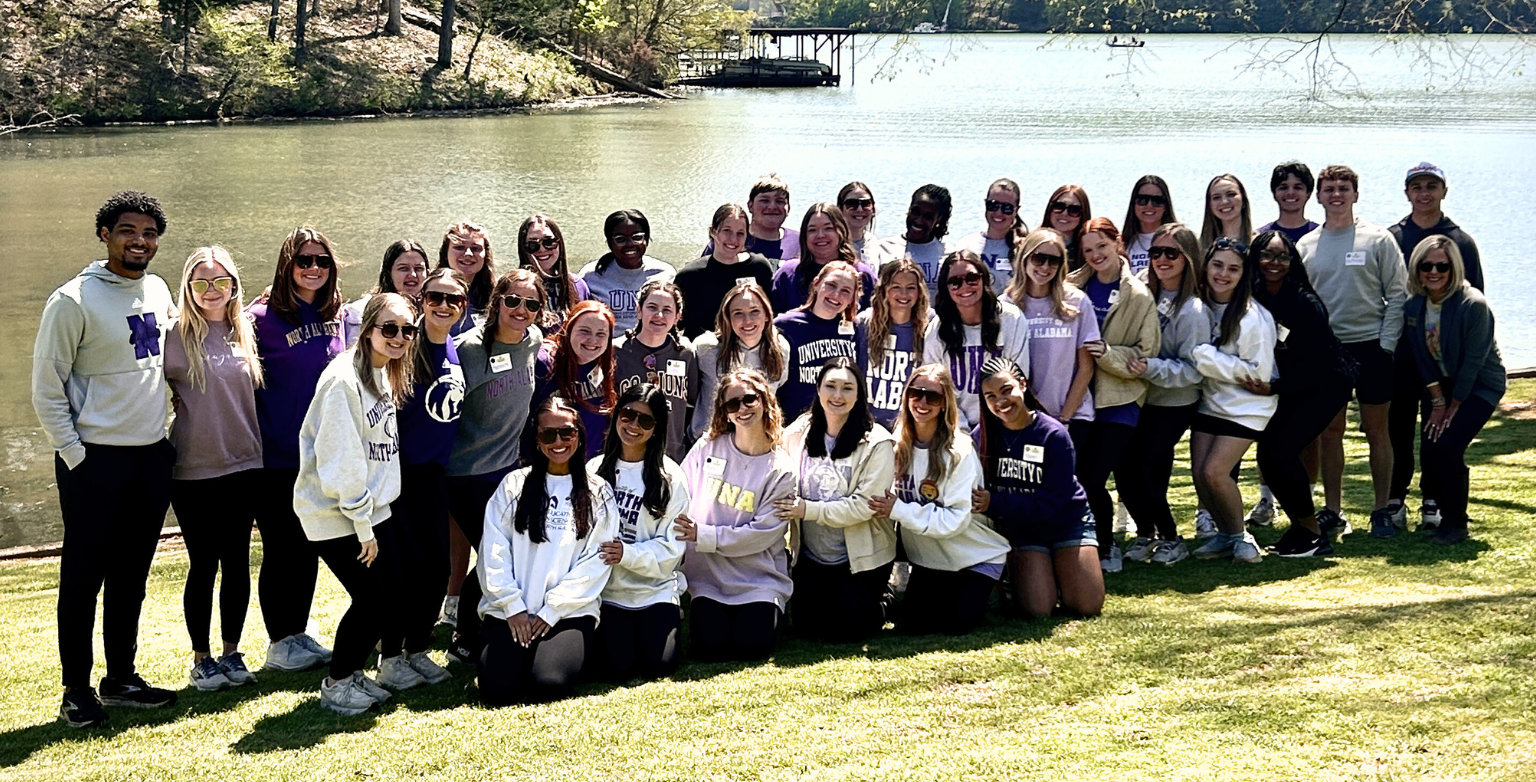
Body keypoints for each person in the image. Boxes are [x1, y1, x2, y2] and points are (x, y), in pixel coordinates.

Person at [33, 191, 179, 727]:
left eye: (149, 233)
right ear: (104, 235)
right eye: (127, 231)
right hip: (93, 460)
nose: (139, 241)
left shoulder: (158, 289)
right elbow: (46, 388)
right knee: (83, 577)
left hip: (150, 456)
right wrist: (75, 454)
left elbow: (172, 352)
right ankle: (75, 689)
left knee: (131, 576)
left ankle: (121, 677)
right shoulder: (72, 300)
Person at [294, 293, 415, 715]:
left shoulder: (381, 371)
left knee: (393, 593)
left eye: (407, 330)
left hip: (370, 509)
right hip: (335, 513)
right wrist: (363, 525)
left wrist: (372, 515)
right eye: (389, 328)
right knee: (372, 599)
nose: (399, 337)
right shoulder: (343, 381)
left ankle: (355, 672)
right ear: (367, 330)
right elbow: (340, 460)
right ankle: (338, 682)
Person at [165, 247, 265, 692]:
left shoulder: (245, 330)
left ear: (234, 286)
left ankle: (231, 651)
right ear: (188, 287)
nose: (211, 291)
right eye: (201, 282)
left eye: (221, 282)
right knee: (203, 563)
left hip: (245, 463)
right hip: (193, 468)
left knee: (237, 561)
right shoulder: (174, 335)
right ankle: (201, 659)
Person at [477, 397, 618, 705]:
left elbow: (596, 562)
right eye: (548, 434)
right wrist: (512, 606)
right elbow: (493, 552)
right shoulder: (514, 485)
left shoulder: (598, 491)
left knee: (549, 684)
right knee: (496, 690)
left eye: (566, 432)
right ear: (537, 439)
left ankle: (569, 652)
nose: (558, 442)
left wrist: (553, 609)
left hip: (567, 612)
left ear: (579, 435)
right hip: (511, 612)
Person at [249, 226, 345, 673]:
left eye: (322, 261)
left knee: (310, 545)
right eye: (303, 260)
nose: (313, 268)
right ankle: (279, 641)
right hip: (278, 455)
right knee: (282, 547)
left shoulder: (334, 313)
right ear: (287, 265)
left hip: (322, 456)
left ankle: (298, 634)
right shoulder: (259, 318)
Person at [1297, 165, 1409, 539]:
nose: (1336, 194)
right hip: (1329, 352)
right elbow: (1302, 303)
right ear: (1319, 196)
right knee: (1331, 432)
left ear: (1355, 194)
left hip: (1372, 347)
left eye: (1344, 188)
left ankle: (1381, 510)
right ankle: (1333, 510)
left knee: (1377, 430)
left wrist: (1387, 344)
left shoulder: (1378, 239)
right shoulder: (1306, 245)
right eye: (1329, 188)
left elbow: (1398, 293)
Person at [444, 269, 545, 666]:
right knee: (492, 553)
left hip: (506, 471)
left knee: (507, 550)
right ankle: (463, 637)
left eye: (531, 304)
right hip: (466, 472)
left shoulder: (532, 340)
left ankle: (485, 623)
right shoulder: (468, 350)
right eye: (513, 300)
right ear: (497, 301)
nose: (521, 310)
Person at [373, 268, 467, 690]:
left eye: (454, 299)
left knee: (437, 568)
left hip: (434, 473)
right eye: (435, 297)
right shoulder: (405, 348)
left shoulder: (453, 346)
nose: (444, 306)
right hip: (399, 474)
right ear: (421, 300)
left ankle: (416, 648)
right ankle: (390, 656)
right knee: (404, 570)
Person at [870, 364, 1009, 635]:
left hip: (973, 556)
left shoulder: (959, 451)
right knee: (914, 626)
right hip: (931, 561)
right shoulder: (895, 446)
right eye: (916, 393)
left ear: (945, 403)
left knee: (956, 624)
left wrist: (898, 509)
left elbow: (955, 521)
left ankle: (992, 590)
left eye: (932, 396)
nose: (922, 402)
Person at [1241, 231, 1355, 557]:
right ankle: (1301, 527)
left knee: (1279, 449)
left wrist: (1275, 388)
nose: (1274, 263)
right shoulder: (1256, 296)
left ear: (1293, 262)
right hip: (1292, 385)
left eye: (1282, 256)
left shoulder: (1305, 302)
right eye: (1267, 255)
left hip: (1326, 385)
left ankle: (1314, 536)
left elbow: (1319, 365)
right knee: (1269, 454)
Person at [1387, 162, 1485, 531]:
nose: (1424, 193)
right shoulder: (1392, 237)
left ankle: (1432, 498)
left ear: (1444, 191)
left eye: (1431, 186)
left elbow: (1475, 300)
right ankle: (1395, 499)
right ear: (1407, 192)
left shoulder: (1460, 241)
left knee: (1436, 428)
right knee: (1397, 430)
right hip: (1402, 355)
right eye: (1417, 186)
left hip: (1443, 360)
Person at [676, 369, 798, 662]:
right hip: (708, 581)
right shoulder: (708, 447)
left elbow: (762, 535)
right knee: (710, 647)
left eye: (749, 399)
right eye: (732, 404)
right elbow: (679, 490)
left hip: (759, 580)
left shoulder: (782, 469)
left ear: (765, 401)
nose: (742, 408)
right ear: (725, 412)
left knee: (751, 646)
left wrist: (703, 535)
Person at [971, 358, 1104, 619]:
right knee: (1038, 609)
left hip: (1066, 522)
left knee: (1086, 606)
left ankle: (1062, 569)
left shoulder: (1053, 434)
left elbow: (1054, 502)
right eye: (991, 396)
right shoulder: (982, 436)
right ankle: (1032, 576)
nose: (1000, 402)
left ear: (1022, 385)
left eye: (1006, 390)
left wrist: (994, 502)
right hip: (1022, 529)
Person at [776, 359, 897, 642]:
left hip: (860, 558)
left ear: (859, 394)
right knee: (808, 629)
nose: (838, 396)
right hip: (811, 556)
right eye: (830, 386)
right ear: (818, 389)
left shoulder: (877, 442)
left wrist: (806, 510)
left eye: (847, 388)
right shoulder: (798, 433)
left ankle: (884, 597)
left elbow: (864, 506)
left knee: (849, 631)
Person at [1065, 219, 1160, 572]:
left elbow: (1145, 354)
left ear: (1118, 242)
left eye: (1102, 246)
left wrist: (1106, 354)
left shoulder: (1138, 294)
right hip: (1079, 398)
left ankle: (1108, 545)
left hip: (1119, 401)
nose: (1095, 255)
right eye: (1088, 250)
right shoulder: (1071, 286)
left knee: (1093, 478)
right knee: (1076, 475)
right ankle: (1082, 542)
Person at [1402, 236, 1506, 545]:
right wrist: (1437, 401)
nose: (1434, 272)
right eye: (1426, 266)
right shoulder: (1414, 305)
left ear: (1454, 268)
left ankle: (1456, 525)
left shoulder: (1473, 304)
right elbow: (1421, 355)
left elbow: (1474, 361)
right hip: (1444, 385)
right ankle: (1442, 516)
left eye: (1442, 266)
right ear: (1417, 269)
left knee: (1449, 446)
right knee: (1432, 446)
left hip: (1479, 386)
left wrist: (1454, 404)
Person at [1117, 223, 1207, 566]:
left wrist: (1150, 368)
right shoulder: (1143, 288)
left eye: (1172, 253)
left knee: (1145, 469)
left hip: (1174, 403)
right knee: (1123, 468)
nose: (1162, 259)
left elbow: (1193, 370)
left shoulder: (1193, 310)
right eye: (1156, 252)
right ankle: (1145, 532)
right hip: (1139, 397)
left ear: (1188, 258)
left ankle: (1171, 538)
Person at [590, 384, 691, 681]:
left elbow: (672, 552)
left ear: (657, 428)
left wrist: (627, 554)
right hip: (608, 593)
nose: (634, 425)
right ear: (617, 415)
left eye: (645, 420)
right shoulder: (594, 470)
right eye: (628, 414)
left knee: (660, 664)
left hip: (655, 591)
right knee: (617, 667)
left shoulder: (671, 478)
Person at [1188, 238, 1277, 563]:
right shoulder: (1199, 305)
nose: (1223, 274)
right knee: (1200, 475)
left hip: (1247, 407)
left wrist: (1205, 358)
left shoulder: (1252, 317)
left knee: (1215, 472)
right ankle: (1225, 534)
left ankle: (1242, 537)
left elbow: (1259, 374)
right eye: (1217, 265)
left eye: (1233, 269)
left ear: (1244, 275)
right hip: (1210, 402)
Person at [925, 250, 1032, 431]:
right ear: (946, 288)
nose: (965, 286)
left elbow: (1018, 378)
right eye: (955, 282)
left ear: (983, 279)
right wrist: (964, 432)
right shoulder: (937, 329)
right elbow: (936, 387)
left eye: (972, 278)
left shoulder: (1011, 319)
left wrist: (990, 428)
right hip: (955, 427)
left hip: (1004, 421)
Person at [1006, 229, 1099, 427]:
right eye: (1039, 258)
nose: (1045, 267)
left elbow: (1086, 367)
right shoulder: (1006, 305)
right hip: (1024, 417)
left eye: (1054, 261)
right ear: (1024, 258)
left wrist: (1064, 418)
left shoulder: (1077, 302)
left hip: (1073, 415)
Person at [691, 281, 791, 440]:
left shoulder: (781, 349)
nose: (747, 320)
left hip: (757, 441)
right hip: (710, 440)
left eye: (754, 311)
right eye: (738, 313)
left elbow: (780, 385)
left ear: (767, 315)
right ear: (728, 318)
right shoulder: (706, 348)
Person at [613, 281, 698, 461]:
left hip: (670, 454)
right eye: (652, 307)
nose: (659, 315)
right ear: (639, 310)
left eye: (667, 310)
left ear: (677, 316)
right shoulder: (617, 351)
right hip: (625, 452)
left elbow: (692, 402)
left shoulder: (685, 353)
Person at [773, 261, 869, 421]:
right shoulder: (785, 325)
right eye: (831, 285)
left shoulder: (855, 330)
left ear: (852, 298)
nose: (836, 295)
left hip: (839, 423)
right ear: (816, 284)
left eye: (845, 291)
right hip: (795, 423)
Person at [532, 300, 618, 460]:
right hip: (551, 464)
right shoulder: (544, 363)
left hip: (593, 464)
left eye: (601, 334)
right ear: (569, 328)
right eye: (584, 331)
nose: (593, 340)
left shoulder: (603, 365)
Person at [674, 204, 775, 338]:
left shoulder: (759, 268)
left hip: (748, 345)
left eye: (740, 233)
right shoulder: (689, 275)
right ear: (713, 231)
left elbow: (770, 315)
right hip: (703, 348)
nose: (733, 239)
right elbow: (675, 324)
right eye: (727, 231)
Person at [859, 258, 930, 428]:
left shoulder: (930, 324)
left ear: (919, 291)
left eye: (911, 288)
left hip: (910, 425)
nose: (903, 294)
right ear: (884, 289)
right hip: (867, 424)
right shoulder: (863, 323)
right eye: (896, 287)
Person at [579, 209, 676, 333]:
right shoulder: (590, 275)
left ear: (646, 239)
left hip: (652, 342)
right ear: (610, 243)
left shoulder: (665, 273)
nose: (630, 244)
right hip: (606, 343)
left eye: (637, 237)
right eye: (620, 239)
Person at [770, 202, 877, 313]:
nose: (820, 235)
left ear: (842, 231)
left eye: (828, 228)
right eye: (812, 230)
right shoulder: (787, 274)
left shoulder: (862, 274)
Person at [867, 184, 952, 297]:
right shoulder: (883, 248)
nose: (919, 220)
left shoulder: (948, 255)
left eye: (928, 216)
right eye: (915, 212)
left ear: (938, 220)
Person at [343, 240, 429, 347]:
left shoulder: (434, 311)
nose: (412, 274)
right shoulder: (359, 313)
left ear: (428, 273)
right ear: (388, 274)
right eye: (403, 268)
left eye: (419, 269)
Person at [517, 214, 590, 332]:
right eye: (533, 244)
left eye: (549, 242)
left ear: (559, 243)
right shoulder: (513, 288)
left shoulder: (578, 285)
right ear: (523, 248)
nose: (542, 249)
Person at [954, 178, 1026, 293]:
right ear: (985, 204)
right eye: (993, 205)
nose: (998, 212)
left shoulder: (1024, 248)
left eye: (1007, 208)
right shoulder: (966, 244)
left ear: (1016, 210)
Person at [437, 220, 495, 337]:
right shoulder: (430, 293)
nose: (468, 253)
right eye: (459, 247)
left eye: (476, 248)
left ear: (486, 254)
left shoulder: (495, 294)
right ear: (446, 252)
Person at [1119, 175, 1178, 276]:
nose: (1149, 205)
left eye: (1157, 201)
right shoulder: (1122, 244)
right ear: (1134, 204)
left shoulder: (1178, 241)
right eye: (1142, 200)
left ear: (1166, 206)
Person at [1258, 161, 1320, 245]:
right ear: (1274, 194)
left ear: (1308, 194)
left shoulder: (1320, 236)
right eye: (1283, 188)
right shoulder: (1260, 238)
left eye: (1297, 187)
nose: (1290, 193)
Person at [745, 173, 800, 260]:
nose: (772, 207)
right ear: (750, 206)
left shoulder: (800, 242)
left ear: (788, 208)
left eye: (779, 201)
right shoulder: (734, 239)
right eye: (765, 201)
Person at [1199, 173, 1254, 252]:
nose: (1224, 201)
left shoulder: (1261, 243)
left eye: (1231, 194)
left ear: (1243, 200)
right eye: (1216, 197)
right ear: (1209, 205)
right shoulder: (1199, 249)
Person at [1040, 185, 1091, 269]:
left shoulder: (1089, 251)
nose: (1065, 213)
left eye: (1074, 209)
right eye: (1059, 206)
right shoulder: (1031, 244)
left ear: (1083, 214)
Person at [837, 182, 879, 257]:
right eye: (852, 204)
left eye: (866, 203)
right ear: (840, 209)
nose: (860, 209)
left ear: (873, 209)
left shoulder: (873, 243)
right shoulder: (831, 244)